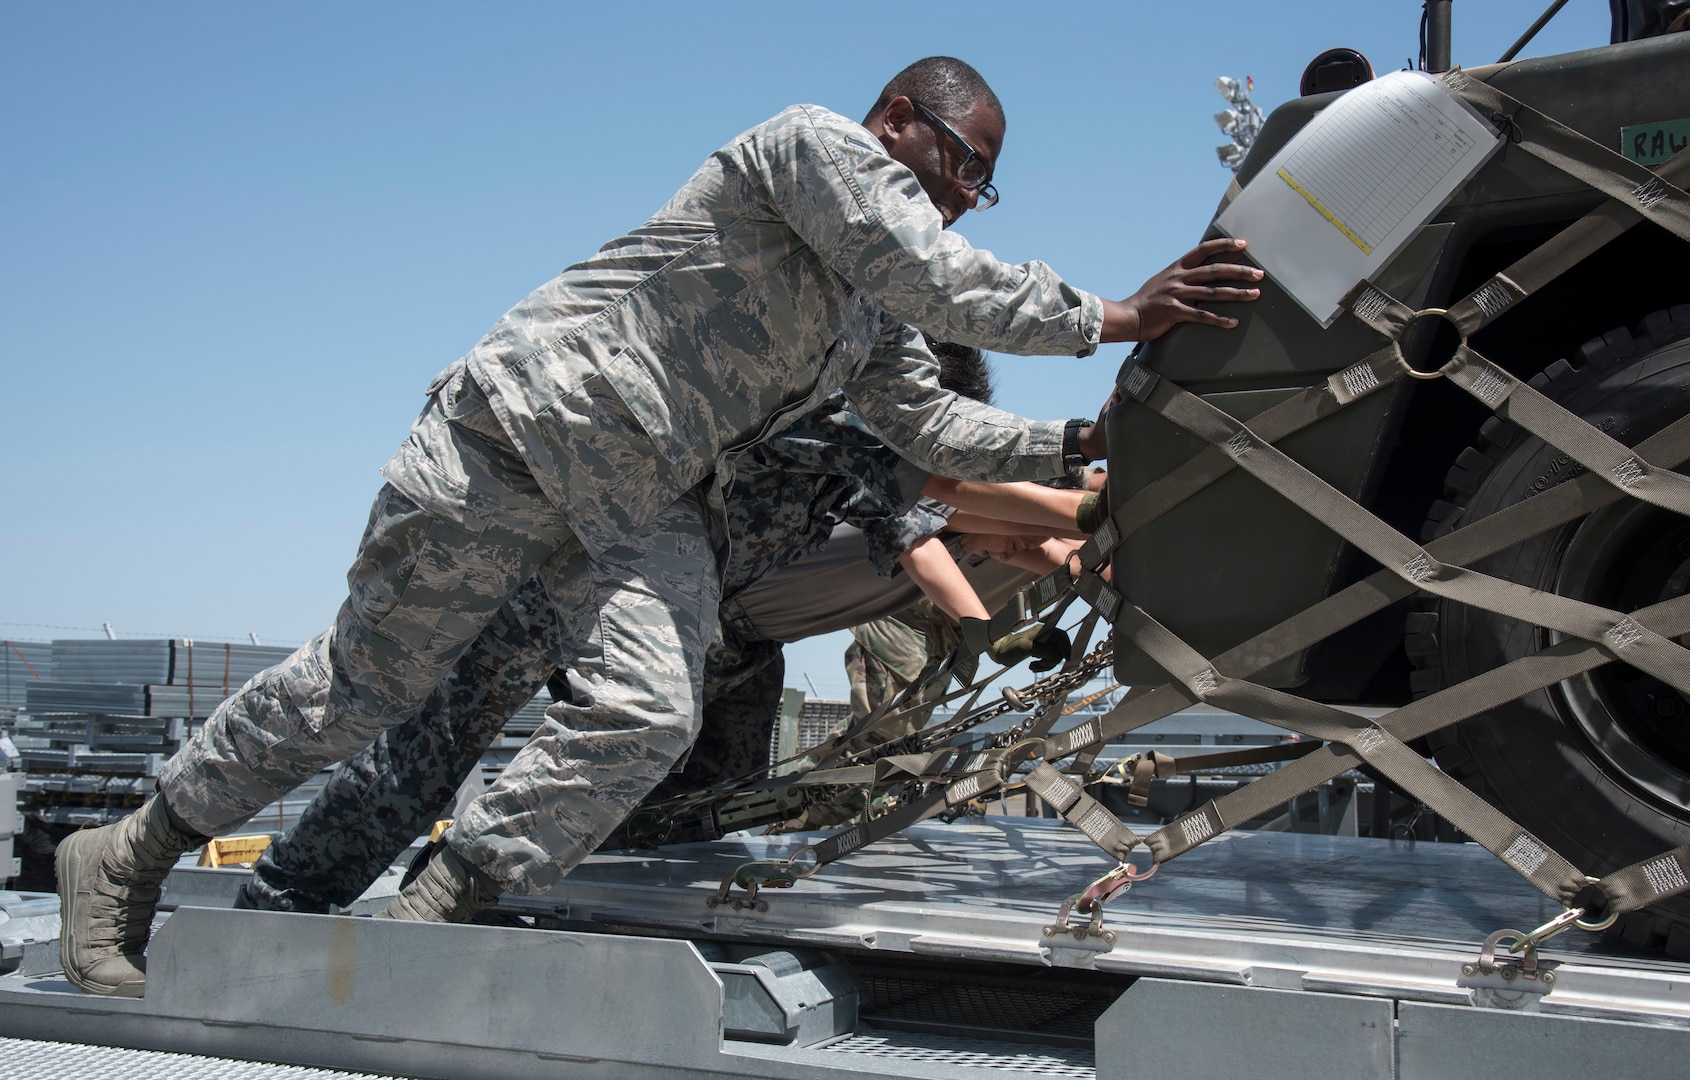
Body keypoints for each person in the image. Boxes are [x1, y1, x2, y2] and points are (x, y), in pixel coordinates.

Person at [57, 55, 1260, 996]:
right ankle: (130, 856)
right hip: (515, 437)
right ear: (897, 118)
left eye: (979, 184)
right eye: (959, 163)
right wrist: (1110, 312)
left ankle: (441, 907)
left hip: (633, 501)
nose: (961, 194)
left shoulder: (866, 318)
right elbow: (932, 271)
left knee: (647, 706)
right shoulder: (811, 151)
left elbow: (928, 427)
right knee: (359, 693)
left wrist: (1081, 443)